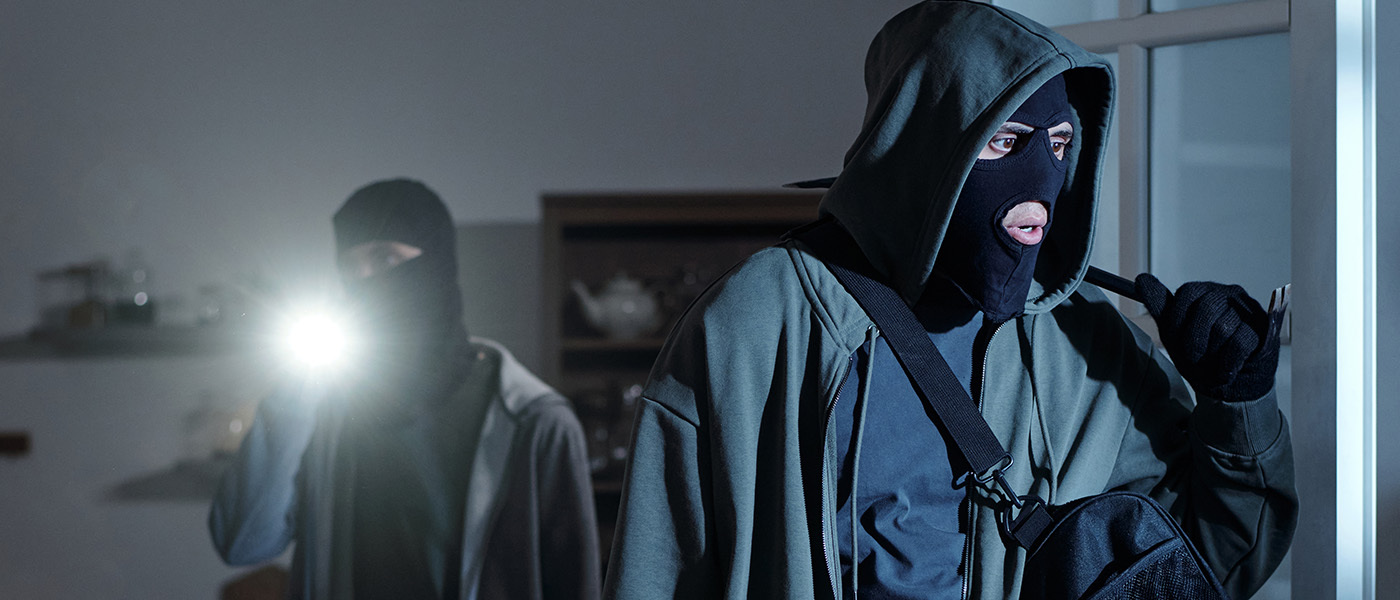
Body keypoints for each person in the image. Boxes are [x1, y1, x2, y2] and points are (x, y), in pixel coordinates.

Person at [602, 2, 1296, 600]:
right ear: (922, 152)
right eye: (1005, 141)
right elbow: (656, 574)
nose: (1040, 182)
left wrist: (1238, 405)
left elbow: (1209, 566)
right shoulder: (756, 323)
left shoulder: (1086, 343)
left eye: (1059, 145)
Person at [209, 178, 601, 600]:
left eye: (385, 258)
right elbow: (242, 543)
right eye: (350, 269)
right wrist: (291, 398)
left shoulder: (532, 420)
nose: (365, 281)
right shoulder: (324, 408)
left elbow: (574, 583)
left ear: (438, 263)